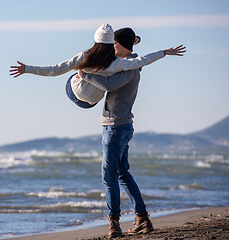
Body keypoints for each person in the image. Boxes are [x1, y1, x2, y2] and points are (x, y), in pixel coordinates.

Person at [77, 27, 185, 238]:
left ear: (121, 46)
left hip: (116, 127)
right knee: (122, 174)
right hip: (121, 126)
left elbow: (108, 84)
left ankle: (114, 224)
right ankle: (142, 218)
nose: (111, 48)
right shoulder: (128, 65)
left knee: (109, 177)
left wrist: (85, 74)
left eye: (114, 44)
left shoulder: (129, 69)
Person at [10, 23, 185, 110]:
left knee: (71, 75)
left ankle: (79, 76)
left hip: (76, 95)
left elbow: (55, 69)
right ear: (112, 43)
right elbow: (142, 61)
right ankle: (131, 41)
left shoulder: (84, 56)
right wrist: (163, 52)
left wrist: (27, 68)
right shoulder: (117, 63)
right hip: (92, 102)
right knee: (95, 79)